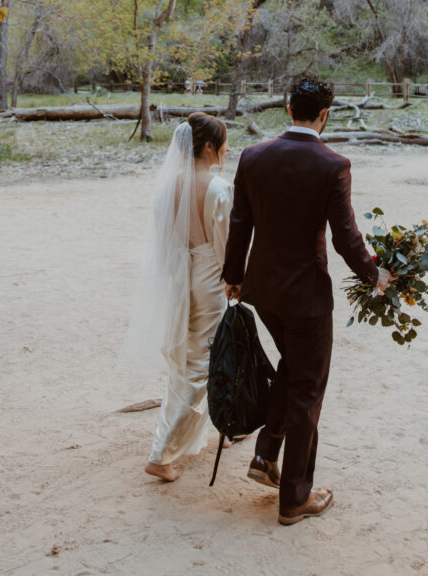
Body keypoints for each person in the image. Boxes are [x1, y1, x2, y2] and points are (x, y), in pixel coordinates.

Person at [222, 73, 391, 525]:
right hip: (308, 299)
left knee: (293, 370)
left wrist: (232, 277)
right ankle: (295, 498)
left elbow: (241, 222)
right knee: (308, 389)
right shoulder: (332, 164)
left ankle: (264, 456)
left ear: (288, 109)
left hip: (263, 291)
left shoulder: (253, 156)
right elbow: (345, 238)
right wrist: (375, 275)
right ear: (325, 115)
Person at [121, 112, 232, 483]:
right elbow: (226, 245)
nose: (227, 150)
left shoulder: (168, 187)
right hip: (208, 279)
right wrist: (236, 280)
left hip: (177, 279)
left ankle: (213, 426)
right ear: (208, 147)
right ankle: (161, 453)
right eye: (224, 143)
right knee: (202, 363)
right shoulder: (217, 188)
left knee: (187, 357)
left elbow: (165, 241)